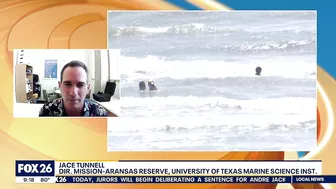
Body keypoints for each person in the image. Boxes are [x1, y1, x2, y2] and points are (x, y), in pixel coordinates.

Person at [39, 60, 108, 117]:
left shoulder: (100, 113)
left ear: (88, 88)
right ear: (60, 86)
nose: (73, 93)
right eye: (67, 84)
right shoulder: (47, 111)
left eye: (80, 85)